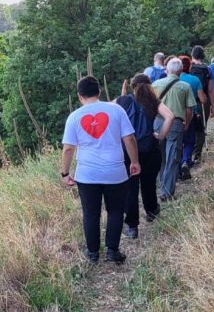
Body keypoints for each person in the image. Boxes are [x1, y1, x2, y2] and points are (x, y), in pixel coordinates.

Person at [61, 76, 140, 264]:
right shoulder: (116, 110)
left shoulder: (74, 117)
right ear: (99, 92)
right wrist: (134, 161)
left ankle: (93, 253)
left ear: (80, 96)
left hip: (87, 174)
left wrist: (65, 172)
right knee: (115, 211)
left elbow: (68, 148)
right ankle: (112, 250)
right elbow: (129, 139)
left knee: (90, 213)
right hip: (115, 171)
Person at [116, 74, 174, 239]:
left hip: (128, 151)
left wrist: (122, 95)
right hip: (149, 148)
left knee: (130, 189)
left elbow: (108, 108)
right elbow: (170, 116)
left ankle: (132, 227)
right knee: (148, 184)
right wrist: (160, 135)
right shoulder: (153, 102)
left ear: (133, 86)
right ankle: (151, 211)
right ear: (149, 86)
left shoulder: (123, 101)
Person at [152, 58, 196, 201]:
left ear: (167, 69)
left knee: (160, 157)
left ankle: (161, 185)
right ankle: (166, 192)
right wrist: (187, 124)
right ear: (181, 70)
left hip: (158, 122)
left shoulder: (155, 84)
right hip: (176, 123)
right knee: (173, 157)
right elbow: (189, 110)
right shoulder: (185, 86)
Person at [189, 46, 214, 164]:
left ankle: (187, 155)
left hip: (189, 101)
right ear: (203, 55)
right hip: (203, 101)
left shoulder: (189, 68)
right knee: (201, 127)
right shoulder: (208, 69)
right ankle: (197, 155)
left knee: (189, 127)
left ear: (193, 55)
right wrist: (213, 106)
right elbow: (211, 90)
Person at [179, 62, 207, 179]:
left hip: (174, 115)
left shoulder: (172, 79)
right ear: (189, 67)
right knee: (190, 140)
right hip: (192, 113)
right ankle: (186, 160)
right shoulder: (194, 80)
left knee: (178, 141)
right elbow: (202, 99)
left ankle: (179, 163)